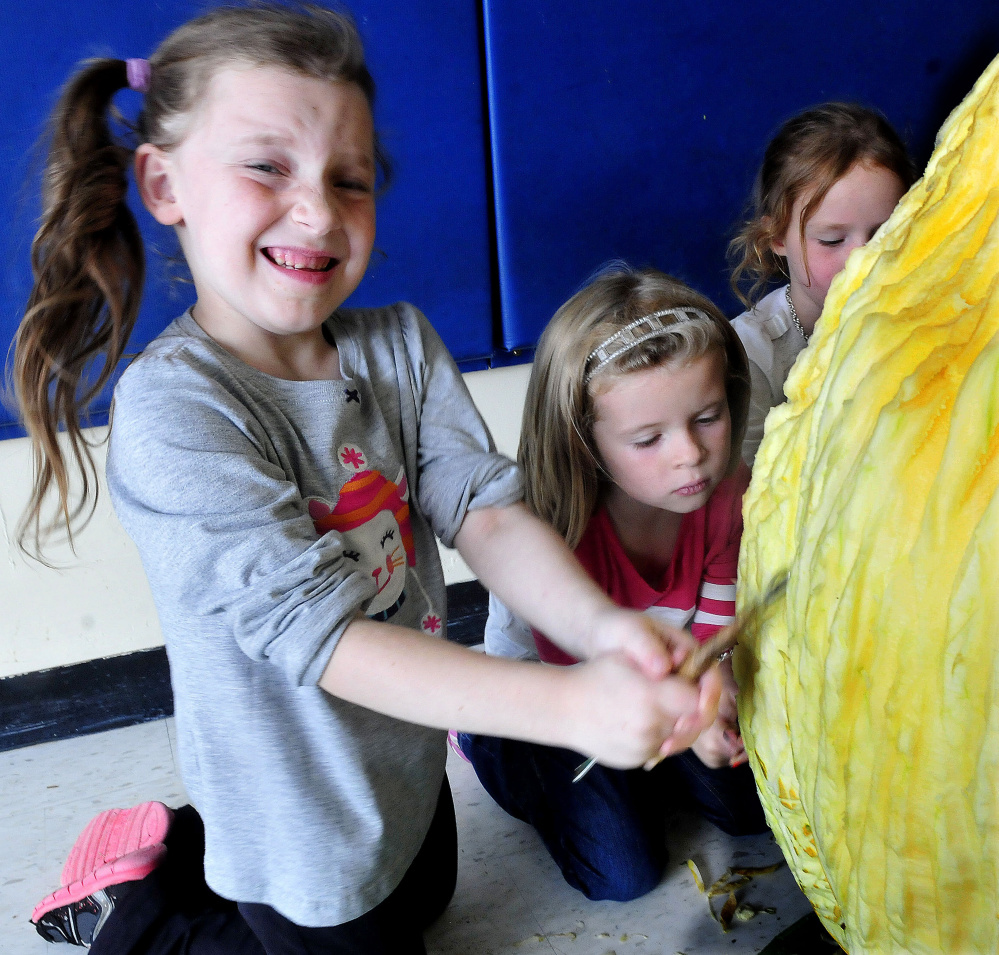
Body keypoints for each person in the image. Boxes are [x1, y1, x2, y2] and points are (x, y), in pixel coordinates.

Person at [13, 6, 723, 954]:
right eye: (266, 166)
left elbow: (484, 509)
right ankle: (132, 910)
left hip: (404, 762)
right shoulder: (175, 412)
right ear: (163, 182)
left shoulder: (400, 344)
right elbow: (323, 637)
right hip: (292, 817)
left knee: (421, 897)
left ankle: (175, 840)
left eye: (348, 179)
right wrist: (568, 706)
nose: (316, 210)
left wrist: (601, 630)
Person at [458, 263, 769, 904]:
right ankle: (486, 748)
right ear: (585, 444)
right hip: (559, 695)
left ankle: (651, 771)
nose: (690, 455)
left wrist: (714, 699)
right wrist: (679, 716)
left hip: (659, 680)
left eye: (707, 417)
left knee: (751, 813)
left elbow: (716, 612)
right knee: (621, 875)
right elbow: (576, 666)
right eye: (648, 438)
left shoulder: (722, 489)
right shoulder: (559, 523)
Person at [728, 102, 916, 465]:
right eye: (831, 241)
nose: (864, 260)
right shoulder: (751, 355)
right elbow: (748, 497)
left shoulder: (930, 317)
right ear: (777, 238)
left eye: (888, 233)